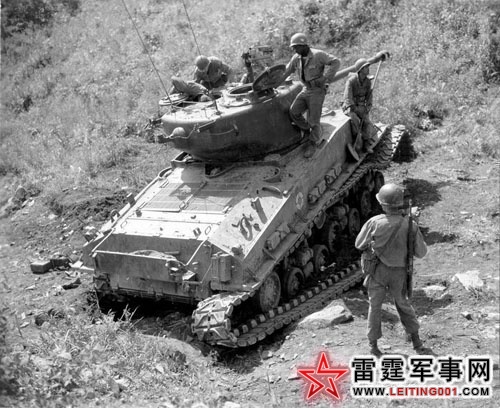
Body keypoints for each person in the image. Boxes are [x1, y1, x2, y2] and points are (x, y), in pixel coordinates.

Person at [355, 183, 429, 357]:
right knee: (403, 303)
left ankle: (373, 346)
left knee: (374, 306)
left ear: (382, 204)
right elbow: (421, 252)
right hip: (400, 273)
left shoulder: (374, 222)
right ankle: (416, 341)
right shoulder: (410, 225)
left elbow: (359, 244)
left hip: (377, 272)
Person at [279, 33, 340, 158]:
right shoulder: (296, 58)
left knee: (314, 119)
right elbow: (286, 71)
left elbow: (336, 62)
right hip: (306, 89)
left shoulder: (318, 55)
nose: (295, 50)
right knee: (294, 111)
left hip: (317, 90)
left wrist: (326, 79)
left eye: (296, 47)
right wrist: (274, 83)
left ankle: (313, 142)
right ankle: (307, 131)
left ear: (303, 45)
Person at [342, 58, 376, 154]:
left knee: (367, 122)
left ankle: (366, 144)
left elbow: (369, 96)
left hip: (361, 106)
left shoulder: (367, 82)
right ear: (360, 70)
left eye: (368, 67)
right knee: (355, 121)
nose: (368, 69)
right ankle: (357, 143)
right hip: (351, 107)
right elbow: (347, 96)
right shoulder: (351, 81)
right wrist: (351, 106)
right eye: (366, 67)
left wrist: (368, 106)